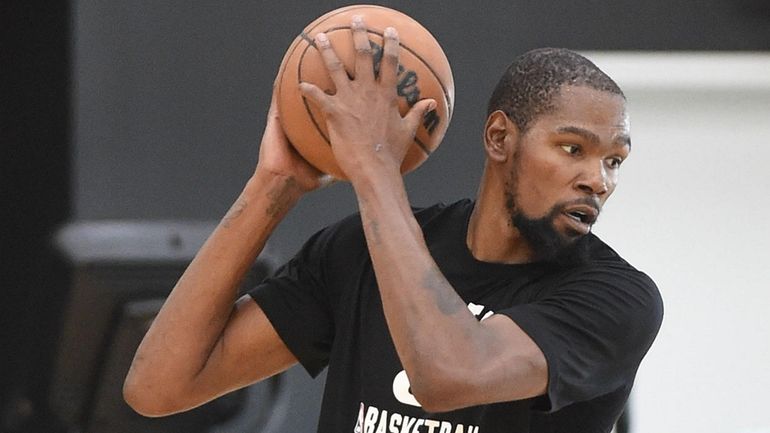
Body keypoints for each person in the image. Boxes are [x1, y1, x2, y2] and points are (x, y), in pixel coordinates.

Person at [123, 16, 663, 433]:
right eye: (573, 149)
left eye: (614, 160)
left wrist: (374, 165)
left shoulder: (616, 300)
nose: (598, 179)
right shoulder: (358, 252)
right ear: (500, 139)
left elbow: (448, 374)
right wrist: (275, 182)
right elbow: (157, 388)